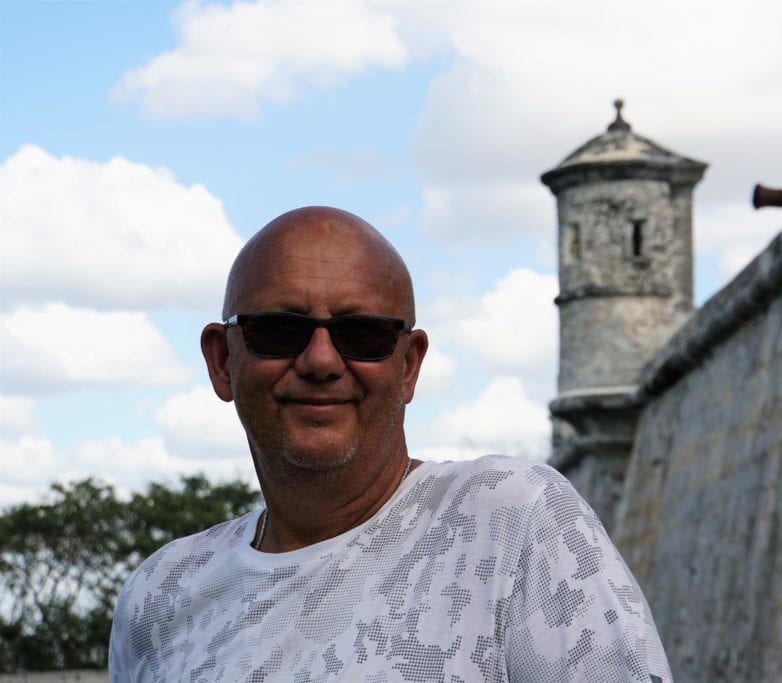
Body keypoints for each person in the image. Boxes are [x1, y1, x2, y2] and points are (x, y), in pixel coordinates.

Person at [108, 206, 673, 682]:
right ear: (222, 361)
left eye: (364, 335)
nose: (322, 361)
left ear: (408, 366)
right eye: (279, 330)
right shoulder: (161, 597)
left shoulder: (512, 521)